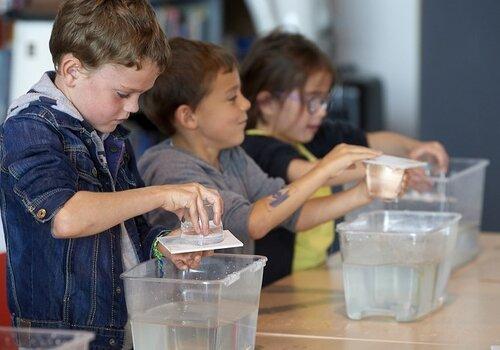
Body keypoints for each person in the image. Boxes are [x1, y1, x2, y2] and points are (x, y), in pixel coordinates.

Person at [0, 1, 222, 348]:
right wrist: (163, 193)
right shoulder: (28, 128)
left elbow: (131, 234)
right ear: (72, 70)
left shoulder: (110, 134)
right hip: (66, 339)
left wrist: (167, 247)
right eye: (123, 93)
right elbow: (67, 217)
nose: (133, 107)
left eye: (140, 95)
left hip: (124, 329)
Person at [138, 37, 383, 286]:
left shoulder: (231, 155)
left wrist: (366, 192)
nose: (246, 104)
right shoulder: (167, 165)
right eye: (232, 97)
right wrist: (322, 169)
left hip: (232, 305)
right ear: (189, 117)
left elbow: (291, 213)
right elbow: (251, 223)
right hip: (189, 312)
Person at [239, 31, 448, 279]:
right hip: (276, 283)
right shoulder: (253, 146)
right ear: (267, 102)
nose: (321, 113)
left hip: (314, 273)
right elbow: (312, 174)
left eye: (325, 101)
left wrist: (412, 148)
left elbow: (374, 141)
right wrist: (382, 169)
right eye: (312, 102)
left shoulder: (313, 135)